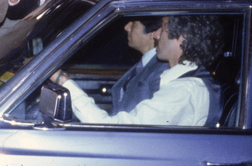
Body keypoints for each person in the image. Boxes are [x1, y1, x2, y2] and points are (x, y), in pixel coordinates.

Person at [51, 15, 225, 126]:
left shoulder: (183, 93)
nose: (156, 35)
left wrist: (63, 81)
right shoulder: (189, 82)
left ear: (182, 38)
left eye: (163, 28)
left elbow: (113, 129)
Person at [109, 17, 169, 115]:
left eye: (134, 23)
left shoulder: (162, 68)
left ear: (153, 33)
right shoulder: (143, 65)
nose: (126, 27)